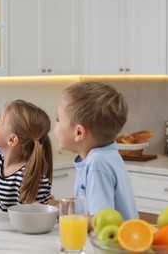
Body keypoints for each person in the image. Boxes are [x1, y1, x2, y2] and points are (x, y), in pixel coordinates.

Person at [54, 81, 138, 227]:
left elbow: (101, 222)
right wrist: (75, 202)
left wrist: (67, 218)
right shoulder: (107, 154)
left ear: (79, 132)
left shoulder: (97, 164)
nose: (55, 125)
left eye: (58, 120)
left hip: (113, 247)